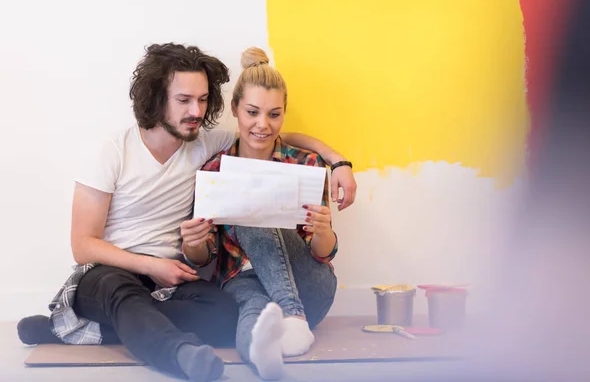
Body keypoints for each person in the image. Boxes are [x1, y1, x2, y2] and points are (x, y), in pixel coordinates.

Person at [17, 43, 357, 382]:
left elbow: (264, 135)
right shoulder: (113, 151)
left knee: (224, 313)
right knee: (122, 293)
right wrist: (153, 264)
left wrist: (336, 159)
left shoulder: (203, 145)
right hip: (110, 271)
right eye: (184, 100)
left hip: (172, 282)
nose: (196, 110)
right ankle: (182, 356)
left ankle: (82, 329)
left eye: (203, 99)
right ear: (157, 98)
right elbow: (83, 245)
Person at [180, 47, 339, 380]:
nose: (263, 125)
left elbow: (321, 254)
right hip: (244, 281)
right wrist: (192, 243)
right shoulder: (215, 170)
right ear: (236, 109)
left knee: (254, 206)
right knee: (252, 310)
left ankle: (293, 318)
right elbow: (202, 259)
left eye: (274, 115)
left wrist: (324, 231)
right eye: (252, 112)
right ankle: (261, 353)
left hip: (309, 290)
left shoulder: (307, 164)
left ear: (283, 115)